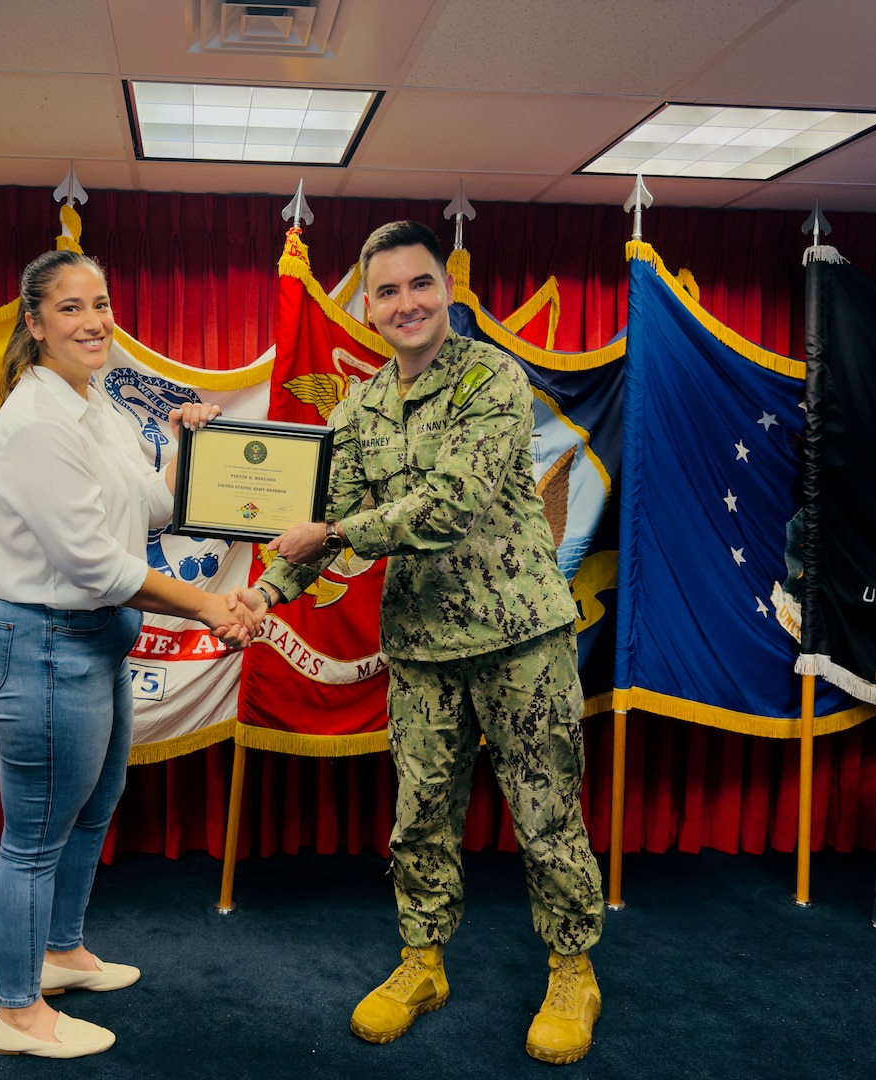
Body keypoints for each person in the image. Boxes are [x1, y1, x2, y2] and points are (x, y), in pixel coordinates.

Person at [234, 221, 605, 1065]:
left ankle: (572, 967)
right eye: (389, 291)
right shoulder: (362, 406)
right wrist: (262, 595)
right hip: (423, 644)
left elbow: (449, 506)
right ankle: (422, 961)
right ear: (368, 305)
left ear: (447, 290)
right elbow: (322, 531)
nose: (407, 303)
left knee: (546, 813)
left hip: (520, 640)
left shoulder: (492, 378)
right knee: (420, 816)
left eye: (421, 285)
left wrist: (330, 529)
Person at [0, 248, 260, 1060]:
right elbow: (95, 565)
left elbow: (154, 508)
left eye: (100, 303)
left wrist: (178, 442)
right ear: (34, 323)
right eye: (70, 308)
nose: (93, 321)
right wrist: (210, 605)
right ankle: (17, 1014)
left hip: (93, 642)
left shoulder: (90, 401)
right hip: (43, 644)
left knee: (93, 809)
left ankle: (60, 955)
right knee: (34, 837)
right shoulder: (34, 421)